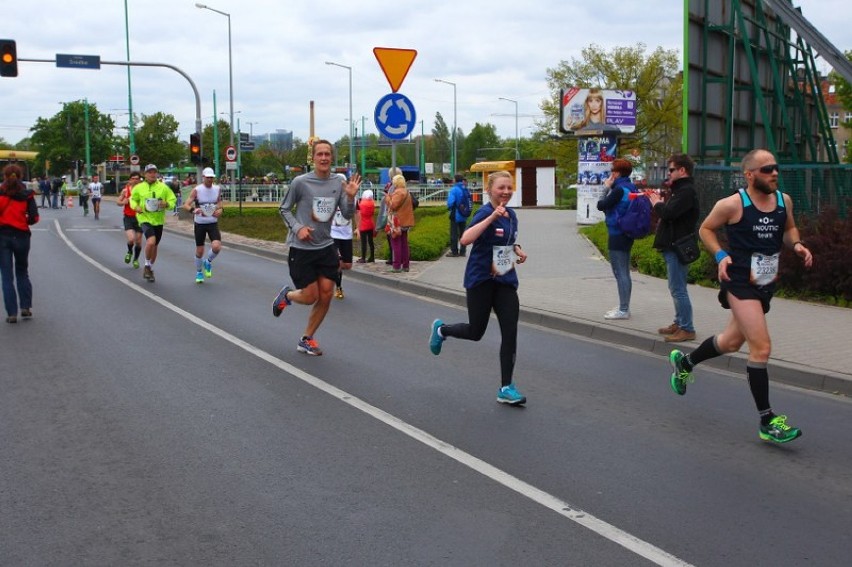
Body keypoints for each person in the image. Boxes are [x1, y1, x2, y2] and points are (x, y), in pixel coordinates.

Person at [669, 149, 813, 444]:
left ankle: (685, 364)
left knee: (731, 342)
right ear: (749, 175)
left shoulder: (784, 201)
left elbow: (789, 229)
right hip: (739, 283)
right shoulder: (733, 204)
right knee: (761, 348)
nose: (774, 173)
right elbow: (706, 229)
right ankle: (767, 420)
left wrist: (796, 245)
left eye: (776, 168)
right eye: (766, 169)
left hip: (765, 285)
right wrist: (721, 255)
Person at [428, 170, 529, 405]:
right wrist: (492, 217)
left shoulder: (512, 215)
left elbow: (507, 241)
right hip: (481, 281)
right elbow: (465, 239)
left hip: (504, 281)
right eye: (500, 188)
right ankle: (442, 330)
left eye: (509, 187)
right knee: (476, 332)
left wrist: (518, 250)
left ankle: (506, 387)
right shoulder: (485, 212)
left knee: (510, 332)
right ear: (489, 190)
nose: (505, 192)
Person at [271, 140, 360, 356]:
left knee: (327, 295)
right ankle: (288, 296)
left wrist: (350, 196)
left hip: (326, 246)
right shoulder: (300, 182)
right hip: (301, 248)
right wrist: (298, 227)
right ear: (313, 158)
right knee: (310, 296)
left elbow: (346, 214)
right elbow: (284, 209)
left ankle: (306, 338)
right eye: (319, 154)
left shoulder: (338, 182)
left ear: (332, 157)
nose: (323, 158)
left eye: (327, 154)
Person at [647, 153, 700, 342]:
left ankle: (687, 328)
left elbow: (669, 213)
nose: (668, 173)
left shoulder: (686, 192)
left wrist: (657, 204)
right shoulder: (681, 191)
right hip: (675, 244)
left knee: (678, 288)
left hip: (677, 245)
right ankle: (679, 322)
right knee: (675, 287)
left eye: (671, 170)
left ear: (682, 170)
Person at [597, 158, 637, 319]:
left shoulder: (619, 190)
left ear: (617, 173)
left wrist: (605, 188)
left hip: (617, 233)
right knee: (625, 272)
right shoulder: (631, 186)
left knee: (620, 272)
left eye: (612, 171)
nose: (610, 174)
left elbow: (601, 205)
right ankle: (624, 305)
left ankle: (623, 309)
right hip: (627, 233)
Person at [0, 164, 39, 324]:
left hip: (2, 236)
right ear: (20, 176)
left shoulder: (1, 193)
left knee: (6, 276)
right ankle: (25, 307)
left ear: (5, 176)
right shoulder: (27, 195)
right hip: (22, 236)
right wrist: (25, 220)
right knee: (22, 271)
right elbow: (34, 218)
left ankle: (12, 313)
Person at [129, 164, 177, 283]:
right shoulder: (139, 188)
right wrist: (136, 207)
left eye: (154, 172)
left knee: (155, 246)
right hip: (144, 218)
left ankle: (149, 268)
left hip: (158, 220)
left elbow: (173, 199)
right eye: (149, 172)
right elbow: (132, 199)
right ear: (145, 174)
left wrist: (167, 204)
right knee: (151, 241)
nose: (152, 174)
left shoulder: (163, 187)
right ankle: (146, 265)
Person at [183, 167, 223, 284]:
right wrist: (193, 210)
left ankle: (208, 261)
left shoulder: (217, 189)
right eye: (208, 177)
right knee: (200, 250)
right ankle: (199, 272)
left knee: (216, 246)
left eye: (212, 177)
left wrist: (220, 210)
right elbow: (186, 204)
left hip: (212, 222)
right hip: (200, 223)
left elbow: (219, 203)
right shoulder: (197, 190)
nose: (210, 179)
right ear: (203, 177)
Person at [386, 174, 416, 273]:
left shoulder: (398, 192)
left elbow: (393, 206)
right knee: (404, 243)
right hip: (406, 221)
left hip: (397, 222)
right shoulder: (406, 192)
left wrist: (388, 199)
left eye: (394, 181)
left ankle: (396, 266)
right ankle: (406, 265)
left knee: (396, 243)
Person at [116, 171, 143, 269]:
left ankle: (136, 259)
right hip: (128, 217)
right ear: (130, 180)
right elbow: (118, 202)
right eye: (133, 179)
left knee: (139, 241)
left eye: (137, 179)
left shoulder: (143, 191)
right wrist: (124, 201)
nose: (135, 180)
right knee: (131, 239)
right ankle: (129, 252)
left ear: (140, 180)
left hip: (140, 218)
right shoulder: (125, 191)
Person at [330, 205, 354, 299]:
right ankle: (338, 288)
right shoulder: (332, 195)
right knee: (338, 262)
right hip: (333, 233)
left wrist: (359, 228)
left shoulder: (352, 199)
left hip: (346, 235)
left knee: (347, 265)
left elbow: (357, 212)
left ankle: (329, 268)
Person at [446, 173, 472, 257]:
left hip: (455, 214)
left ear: (455, 180)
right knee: (463, 233)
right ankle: (463, 251)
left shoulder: (454, 189)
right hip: (464, 214)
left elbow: (450, 202)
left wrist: (449, 208)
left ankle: (454, 251)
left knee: (454, 233)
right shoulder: (465, 188)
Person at [356, 189, 376, 263]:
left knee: (363, 242)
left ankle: (363, 257)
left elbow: (358, 212)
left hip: (363, 224)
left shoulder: (361, 203)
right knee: (371, 241)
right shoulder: (372, 203)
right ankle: (372, 257)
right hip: (370, 223)